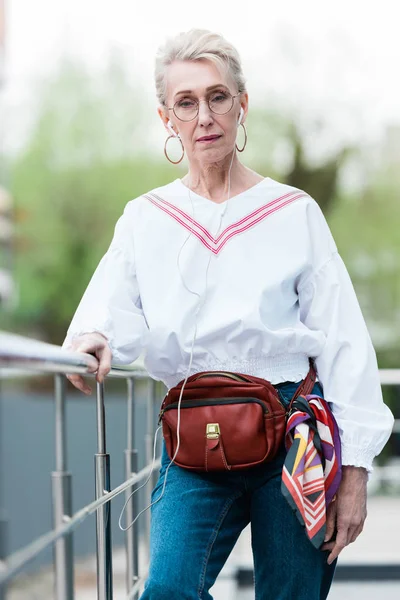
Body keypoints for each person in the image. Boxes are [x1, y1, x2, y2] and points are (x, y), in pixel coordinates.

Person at [63, 29, 394, 600]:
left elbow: (343, 338)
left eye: (218, 97)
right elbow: (106, 309)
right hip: (192, 437)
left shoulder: (294, 211)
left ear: (243, 105)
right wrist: (92, 336)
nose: (204, 116)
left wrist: (356, 470)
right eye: (186, 102)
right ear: (167, 117)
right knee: (166, 590)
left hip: (292, 434)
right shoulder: (146, 217)